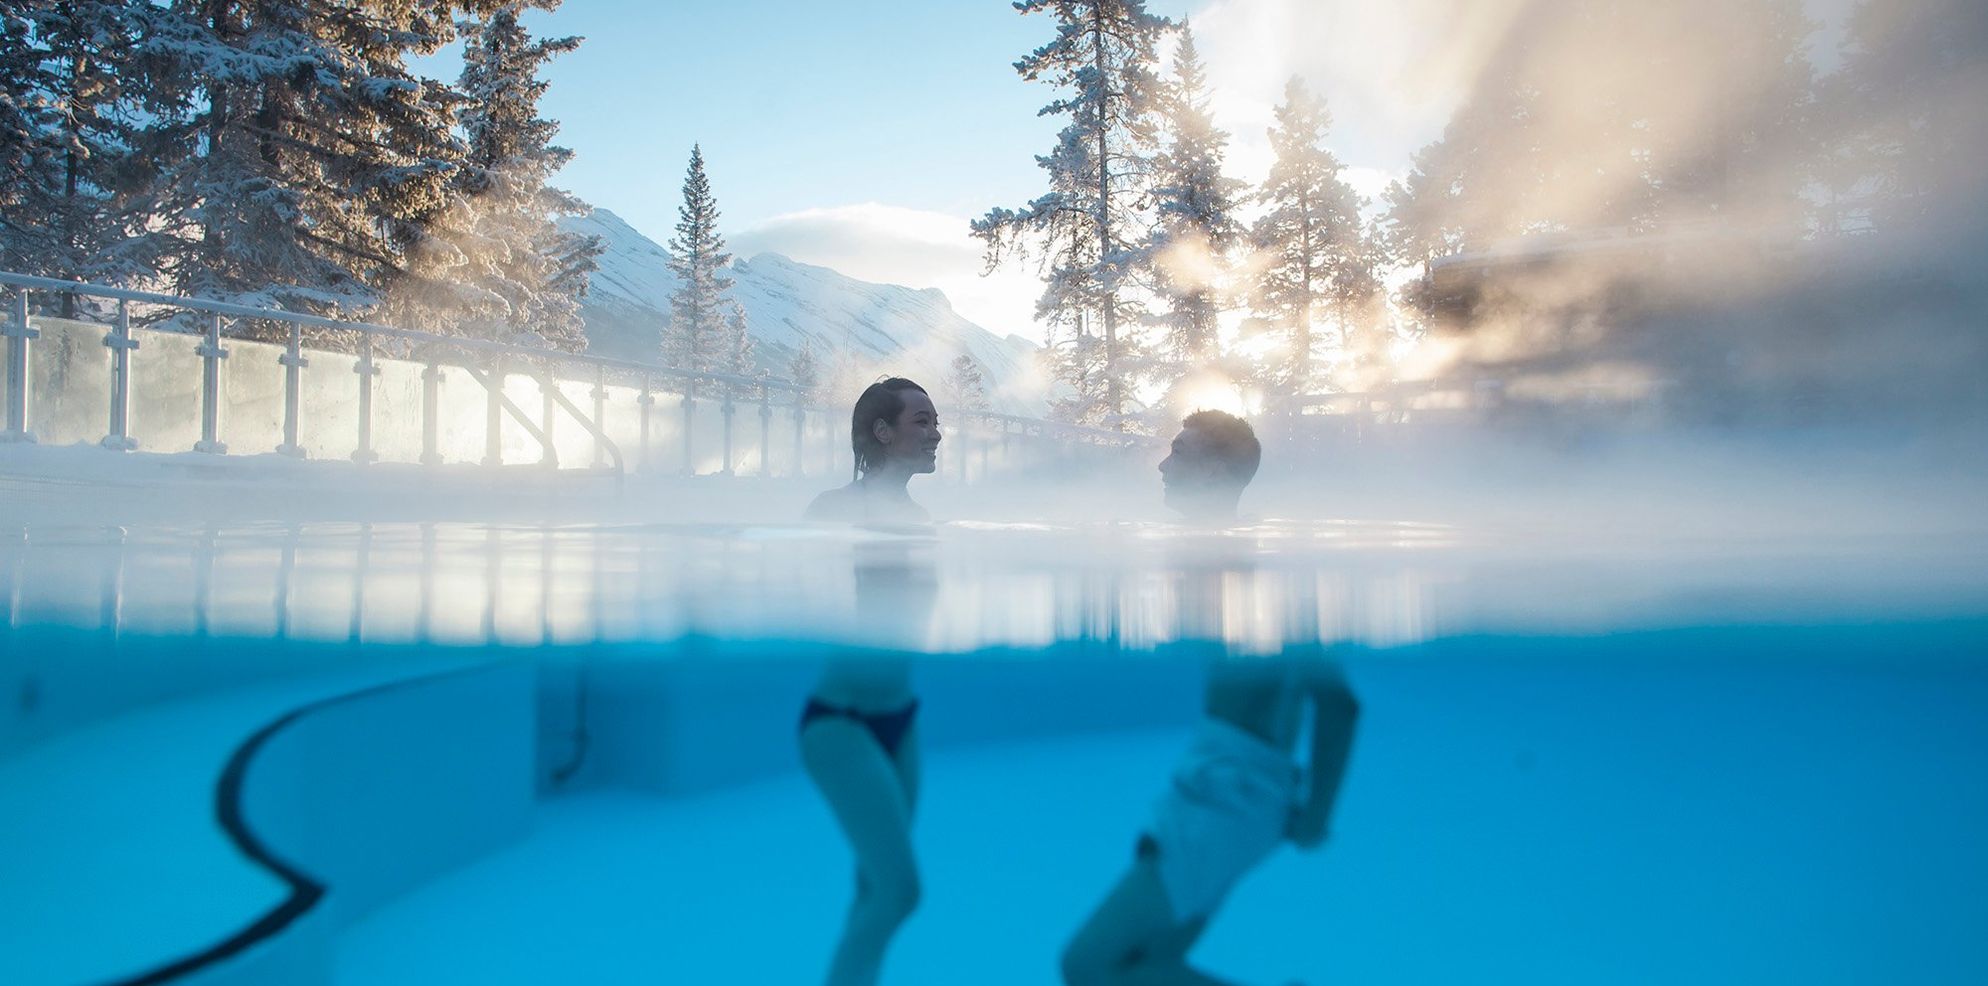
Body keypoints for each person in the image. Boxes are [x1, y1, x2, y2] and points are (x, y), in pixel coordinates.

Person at [1063, 409, 1360, 986]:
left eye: (1180, 450)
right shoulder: (1202, 554)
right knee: (1145, 964)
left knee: (1089, 966)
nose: (1163, 463)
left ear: (1220, 470)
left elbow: (1339, 701)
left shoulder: (1254, 564)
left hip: (1231, 796)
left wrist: (1318, 816)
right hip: (1221, 786)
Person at [800, 377, 941, 986]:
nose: (937, 434)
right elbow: (808, 603)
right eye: (922, 421)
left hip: (899, 721)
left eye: (936, 422)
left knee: (872, 888)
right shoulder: (835, 511)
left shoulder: (921, 521)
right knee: (900, 892)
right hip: (842, 723)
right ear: (882, 432)